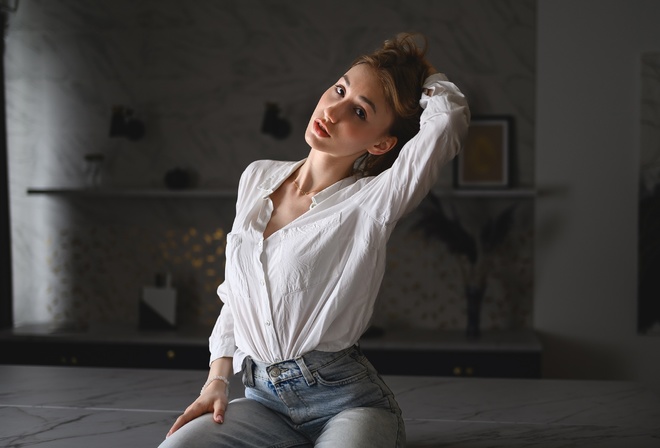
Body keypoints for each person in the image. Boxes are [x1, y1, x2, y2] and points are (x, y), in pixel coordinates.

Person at [159, 32, 470, 448]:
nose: (334, 109)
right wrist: (216, 380)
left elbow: (447, 119)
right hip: (264, 403)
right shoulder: (256, 178)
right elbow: (237, 294)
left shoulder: (373, 200)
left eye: (360, 111)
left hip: (347, 404)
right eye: (340, 89)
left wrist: (419, 71)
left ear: (381, 142)